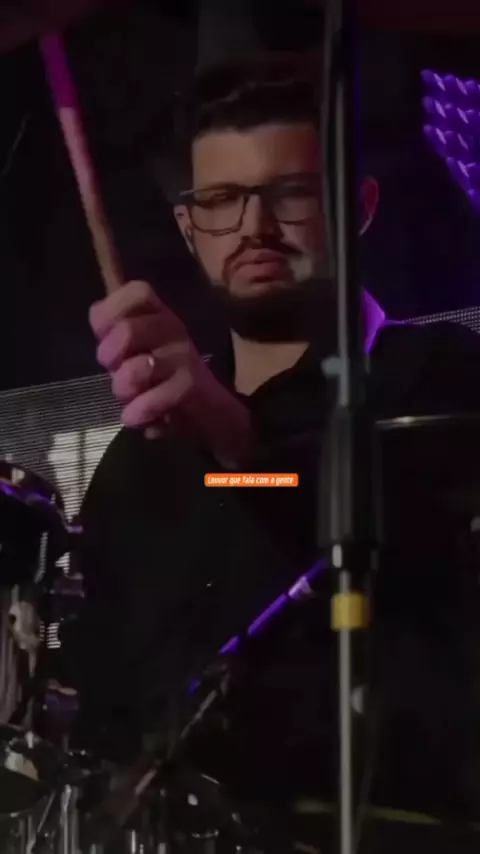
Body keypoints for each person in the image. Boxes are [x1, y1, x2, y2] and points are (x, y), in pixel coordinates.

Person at [77, 54, 480, 850]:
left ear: (358, 206)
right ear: (189, 229)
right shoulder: (136, 463)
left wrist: (236, 445)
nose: (253, 228)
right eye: (221, 200)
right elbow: (104, 707)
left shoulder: (447, 385)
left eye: (290, 193)